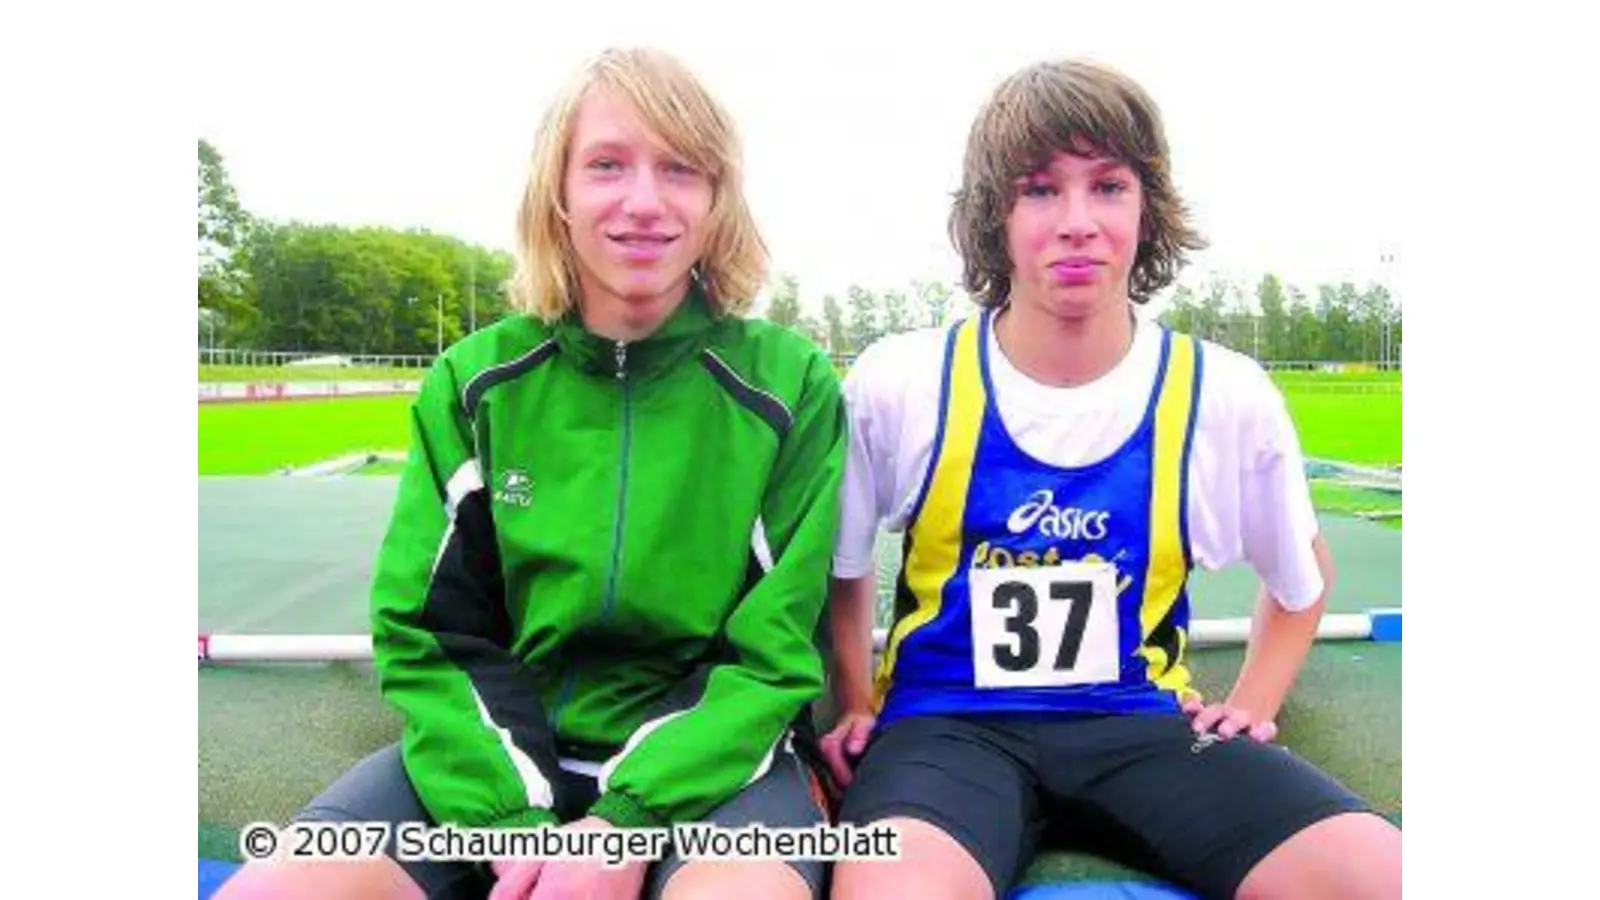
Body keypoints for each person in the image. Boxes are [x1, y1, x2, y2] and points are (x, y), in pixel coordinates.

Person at [218, 46, 846, 900]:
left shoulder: (790, 385)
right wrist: (515, 825)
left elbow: (769, 659)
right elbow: (431, 632)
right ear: (558, 190)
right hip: (493, 764)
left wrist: (622, 825)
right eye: (607, 165)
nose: (644, 201)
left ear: (716, 199)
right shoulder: (474, 383)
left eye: (681, 170)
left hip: (715, 772)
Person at [818, 58, 1401, 900]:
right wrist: (852, 701)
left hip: (1143, 726)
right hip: (944, 731)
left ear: (1147, 208)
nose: (1078, 222)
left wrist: (1253, 702)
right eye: (1039, 190)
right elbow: (843, 568)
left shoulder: (1223, 394)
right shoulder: (900, 380)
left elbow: (1301, 582)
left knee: (1384, 873)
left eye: (1109, 187)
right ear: (995, 215)